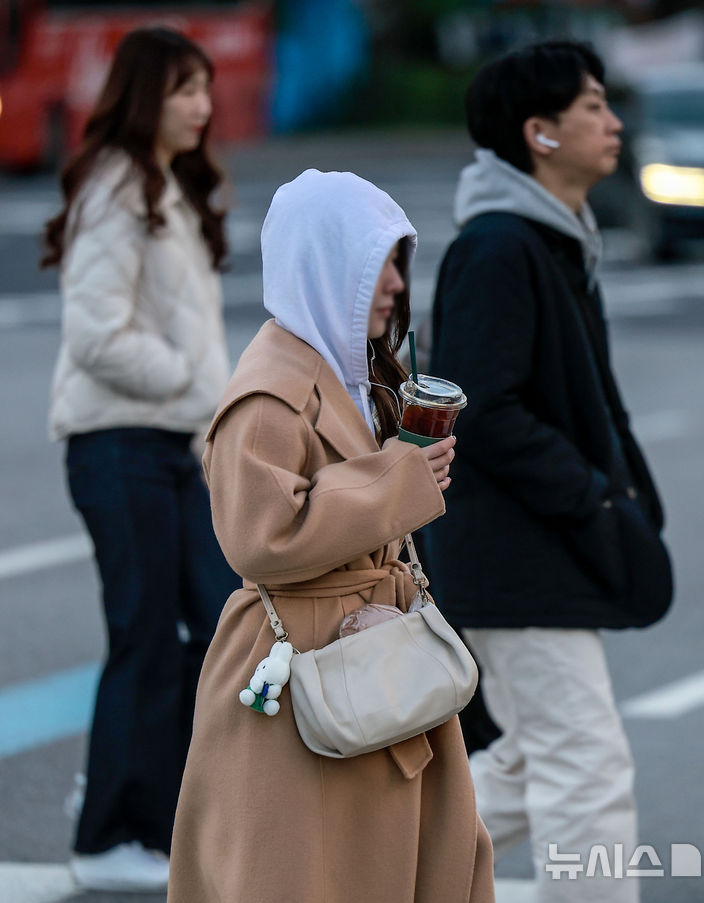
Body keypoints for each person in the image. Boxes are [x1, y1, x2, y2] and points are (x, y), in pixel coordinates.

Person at [167, 169, 495, 903]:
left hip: (368, 657)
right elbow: (259, 539)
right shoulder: (269, 393)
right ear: (324, 264)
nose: (393, 283)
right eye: (376, 261)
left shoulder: (361, 370)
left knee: (401, 859)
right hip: (302, 668)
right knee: (307, 871)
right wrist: (399, 479)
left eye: (399, 261)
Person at [426, 41, 673, 903]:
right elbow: (483, 410)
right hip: (517, 557)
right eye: (594, 106)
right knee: (586, 766)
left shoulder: (550, 239)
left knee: (533, 761)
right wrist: (593, 494)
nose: (614, 122)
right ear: (540, 132)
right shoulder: (500, 248)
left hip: (529, 553)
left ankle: (373, 868)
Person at [41, 27, 239, 893]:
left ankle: (157, 810)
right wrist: (196, 386)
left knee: (215, 622)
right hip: (120, 442)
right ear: (143, 94)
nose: (203, 104)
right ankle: (108, 832)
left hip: (171, 446)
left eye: (205, 88)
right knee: (147, 635)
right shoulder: (117, 187)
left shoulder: (171, 189)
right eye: (185, 89)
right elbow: (95, 336)